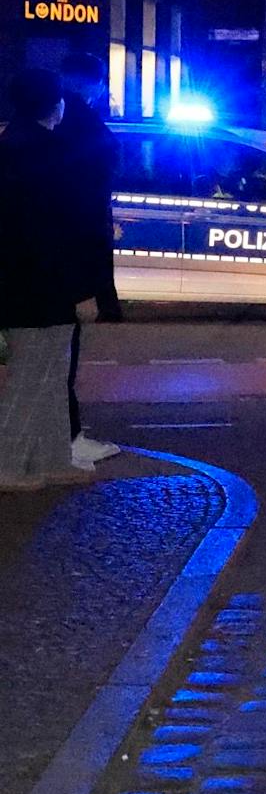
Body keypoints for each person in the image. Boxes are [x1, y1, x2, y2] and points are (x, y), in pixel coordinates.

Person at [0, 68, 98, 491]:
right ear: (55, 105)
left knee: (44, 373)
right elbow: (63, 230)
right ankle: (11, 463)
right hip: (46, 285)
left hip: (18, 281)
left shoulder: (10, 146)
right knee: (36, 375)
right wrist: (82, 289)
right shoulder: (54, 154)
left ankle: (51, 458)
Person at [57, 52, 122, 469]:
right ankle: (68, 439)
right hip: (69, 268)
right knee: (62, 355)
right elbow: (86, 215)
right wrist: (88, 288)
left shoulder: (46, 129)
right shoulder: (87, 132)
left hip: (41, 266)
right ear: (95, 84)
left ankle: (63, 436)